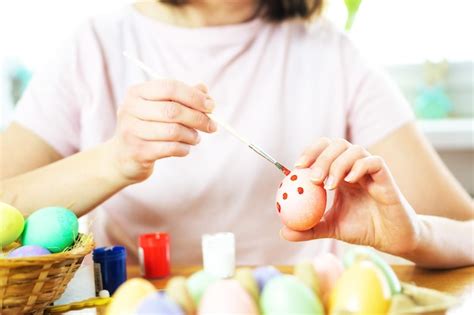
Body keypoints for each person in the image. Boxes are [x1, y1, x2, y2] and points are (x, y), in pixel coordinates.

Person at [0, 0, 472, 268]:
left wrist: (413, 234)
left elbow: (467, 233)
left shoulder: (332, 54)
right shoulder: (96, 46)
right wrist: (115, 161)